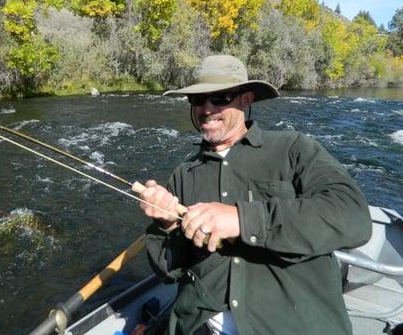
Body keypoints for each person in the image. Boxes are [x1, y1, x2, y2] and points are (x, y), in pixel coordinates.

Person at [137, 55, 373, 335]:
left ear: (246, 100)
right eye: (198, 100)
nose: (207, 109)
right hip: (200, 325)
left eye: (220, 98)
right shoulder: (183, 174)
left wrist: (241, 218)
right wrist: (167, 225)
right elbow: (168, 271)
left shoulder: (294, 148)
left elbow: (352, 216)